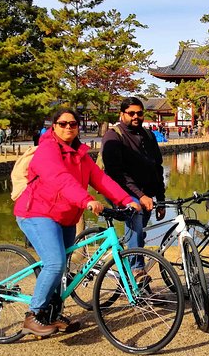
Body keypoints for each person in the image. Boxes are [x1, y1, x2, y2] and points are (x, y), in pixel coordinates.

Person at [14, 107, 140, 337]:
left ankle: (51, 314)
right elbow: (60, 180)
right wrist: (87, 200)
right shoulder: (47, 150)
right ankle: (33, 315)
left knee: (61, 268)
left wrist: (125, 200)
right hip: (37, 213)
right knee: (55, 263)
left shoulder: (80, 154)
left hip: (66, 217)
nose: (68, 127)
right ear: (54, 126)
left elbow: (101, 179)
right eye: (63, 123)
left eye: (73, 124)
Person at [101, 97, 166, 276]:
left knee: (138, 232)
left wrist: (160, 199)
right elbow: (116, 174)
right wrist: (140, 196)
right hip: (119, 189)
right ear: (122, 114)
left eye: (139, 113)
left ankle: (130, 273)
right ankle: (137, 271)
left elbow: (157, 167)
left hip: (144, 190)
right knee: (135, 215)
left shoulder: (148, 135)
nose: (136, 116)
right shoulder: (113, 136)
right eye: (131, 113)